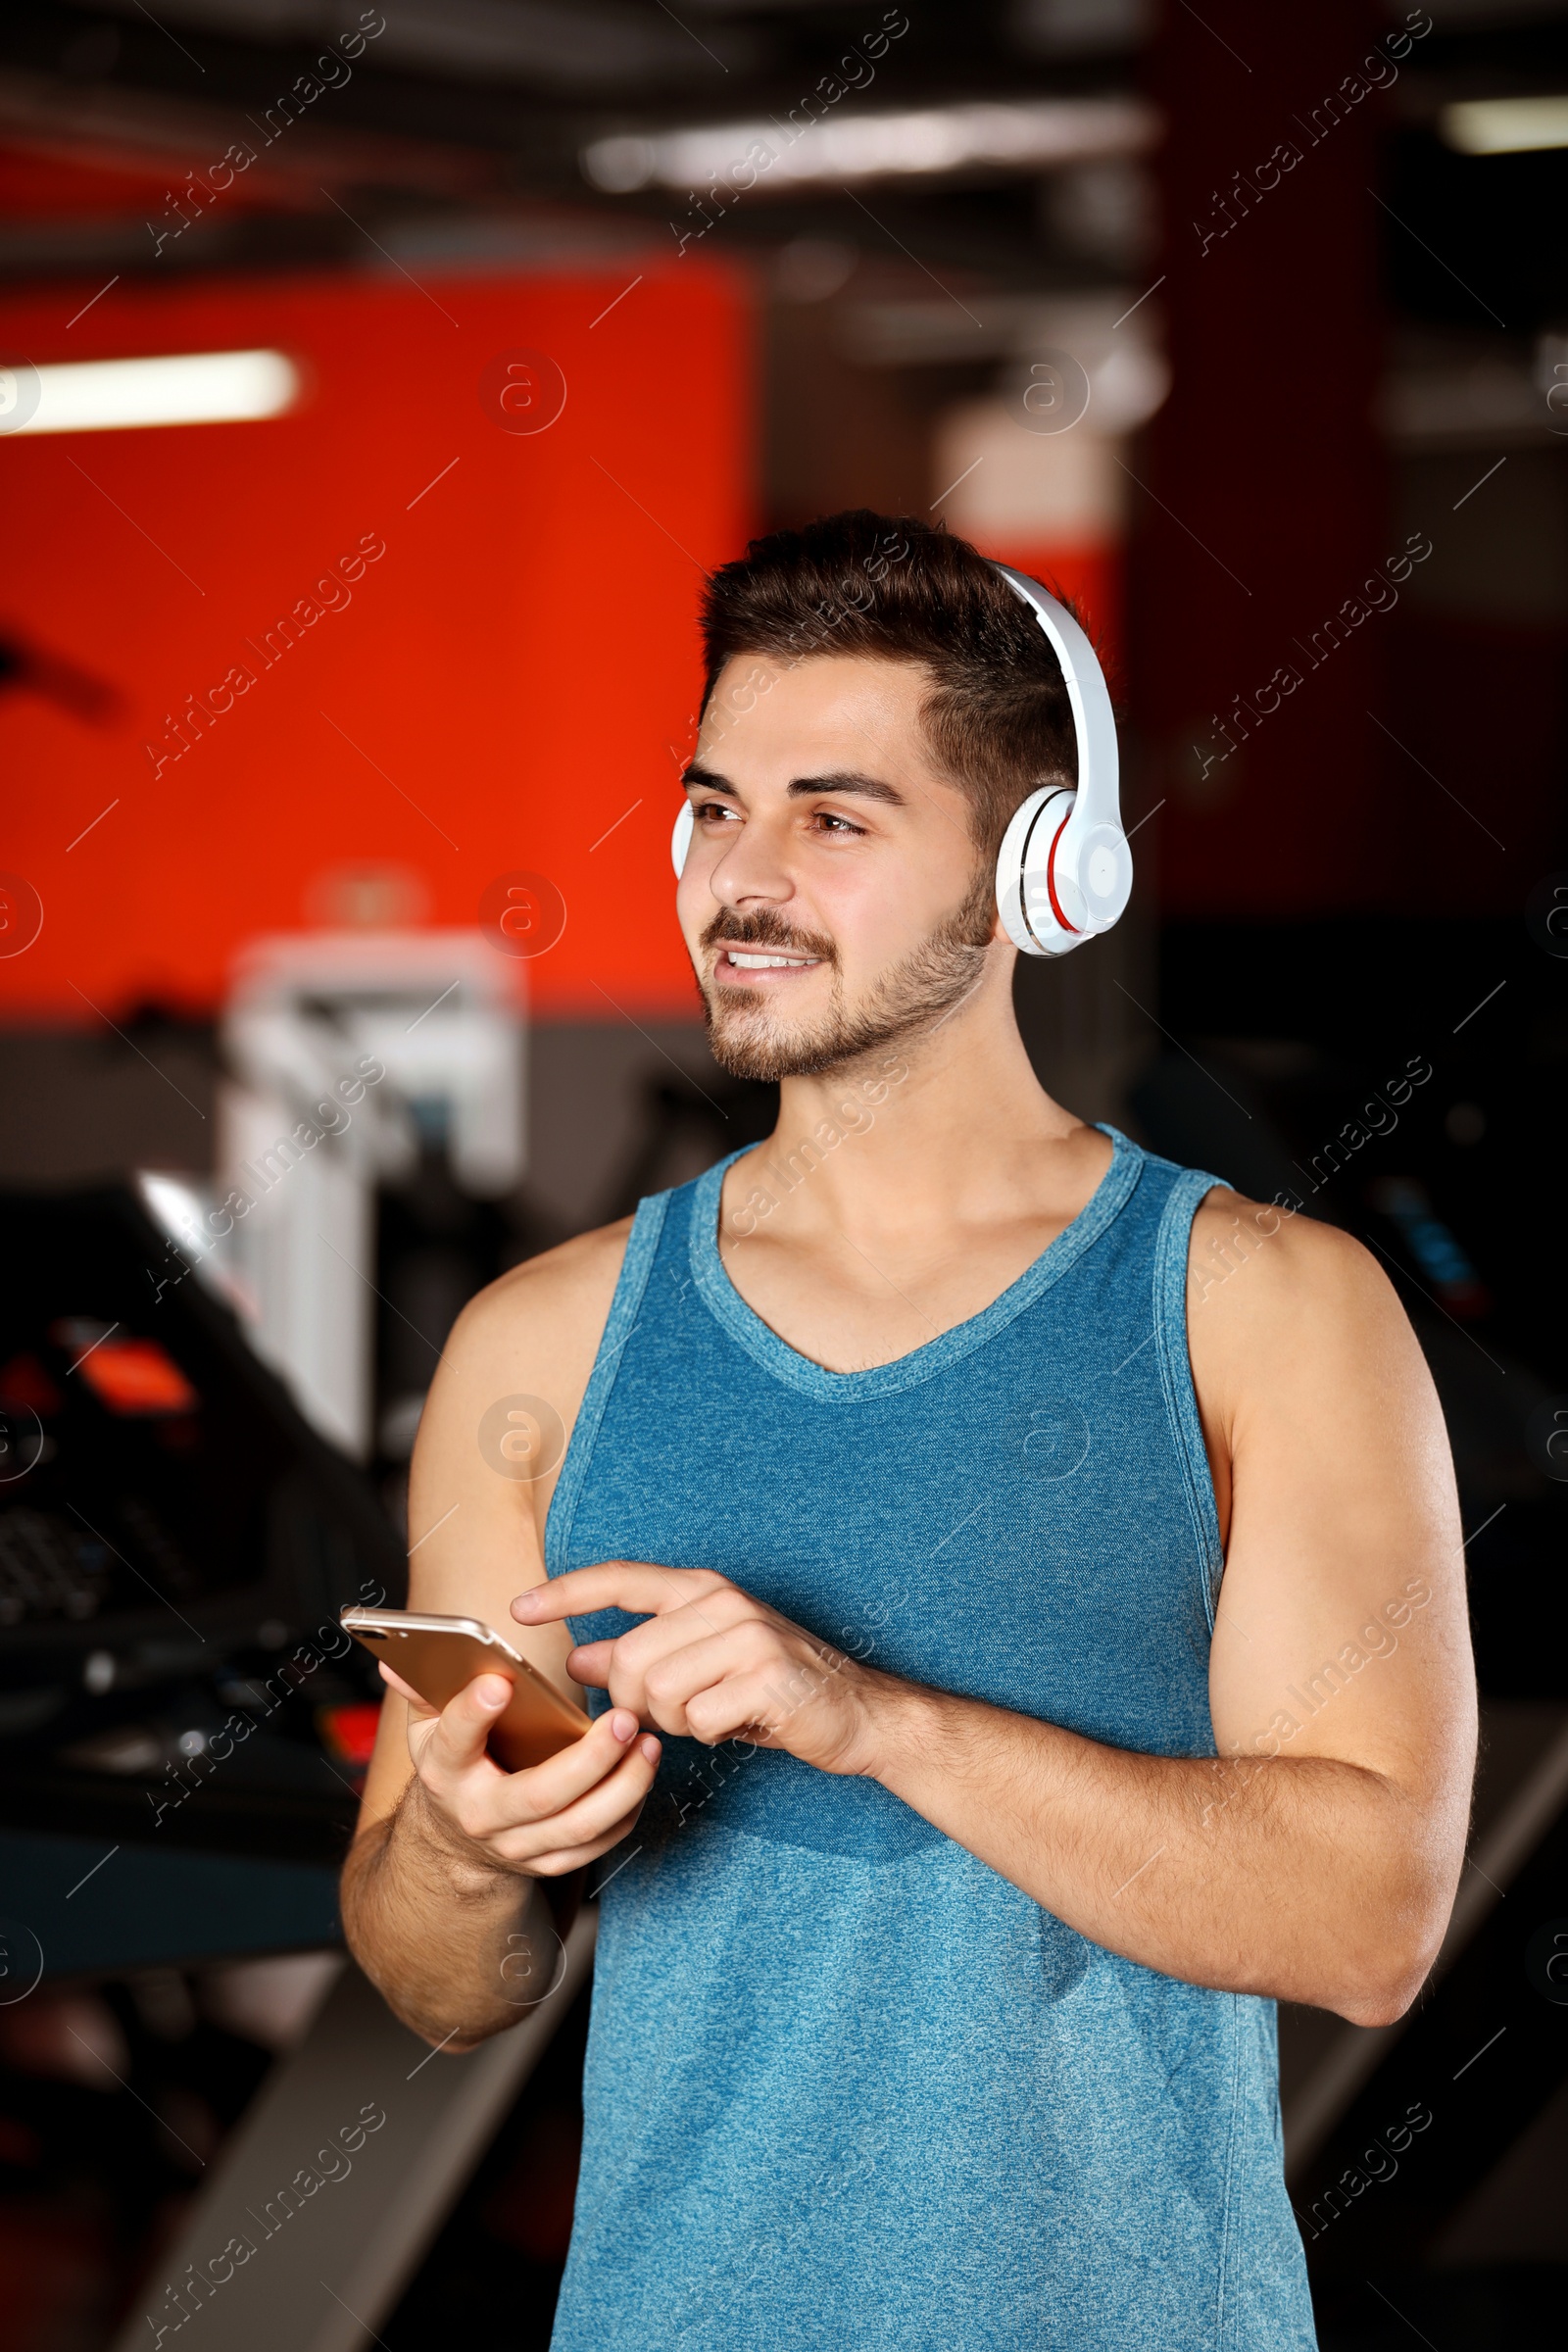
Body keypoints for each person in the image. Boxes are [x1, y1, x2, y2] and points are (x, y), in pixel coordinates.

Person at [341, 511, 1477, 2351]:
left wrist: (877, 1721)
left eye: (835, 818)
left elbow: (1371, 1925)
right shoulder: (536, 1344)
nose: (742, 879)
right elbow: (440, 1984)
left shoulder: (1262, 1307)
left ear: (1039, 869)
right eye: (714, 806)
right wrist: (465, 1856)